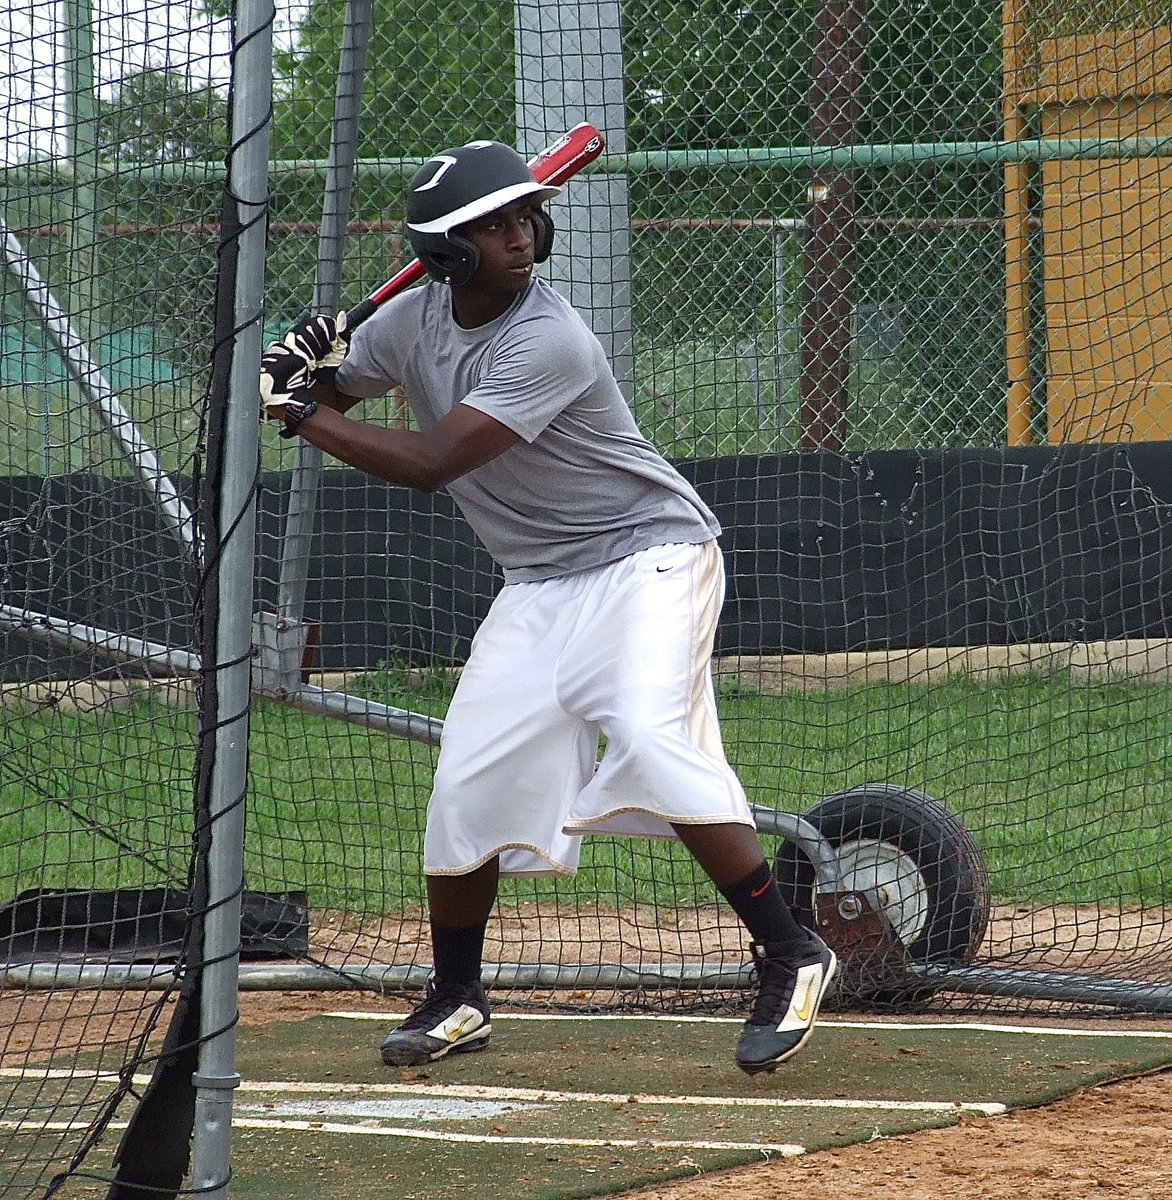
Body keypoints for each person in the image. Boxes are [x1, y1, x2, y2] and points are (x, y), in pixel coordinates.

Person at [258, 137, 836, 1075]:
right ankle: (455, 998)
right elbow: (333, 382)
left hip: (648, 555)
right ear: (444, 253)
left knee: (649, 735)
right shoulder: (407, 323)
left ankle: (791, 950)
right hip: (537, 583)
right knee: (467, 783)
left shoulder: (551, 334)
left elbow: (432, 461)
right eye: (491, 226)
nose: (520, 235)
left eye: (525, 217)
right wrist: (301, 365)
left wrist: (301, 413)